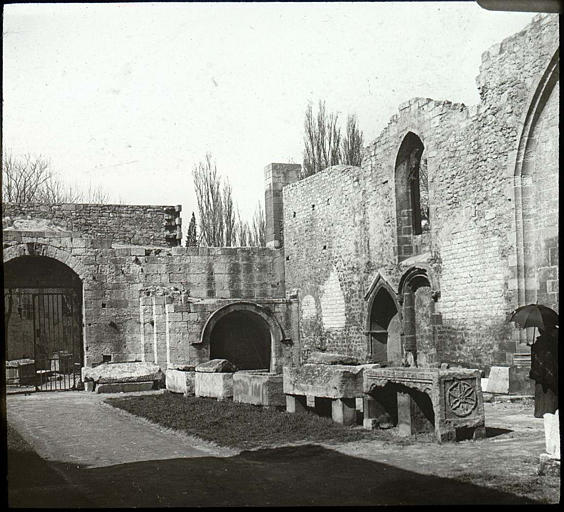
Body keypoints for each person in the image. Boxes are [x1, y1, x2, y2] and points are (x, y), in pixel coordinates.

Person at [529, 325, 558, 418]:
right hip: (547, 370)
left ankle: (540, 412)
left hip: (542, 370)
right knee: (548, 391)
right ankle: (548, 411)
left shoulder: (540, 342)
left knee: (543, 390)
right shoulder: (550, 341)